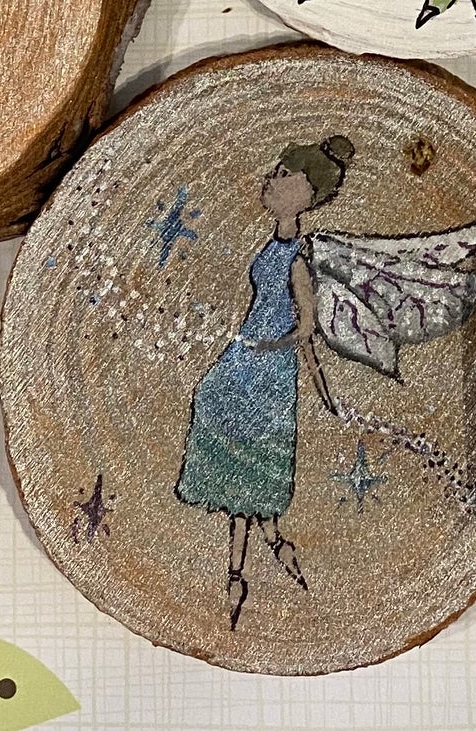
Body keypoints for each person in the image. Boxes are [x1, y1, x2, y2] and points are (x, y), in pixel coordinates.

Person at [176, 134, 354, 629]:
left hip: (267, 369)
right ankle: (274, 542)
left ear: (307, 193)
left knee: (250, 462)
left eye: (284, 175)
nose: (271, 180)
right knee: (220, 420)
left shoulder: (298, 257)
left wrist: (271, 349)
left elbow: (306, 325)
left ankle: (239, 572)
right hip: (245, 359)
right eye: (274, 172)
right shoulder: (274, 245)